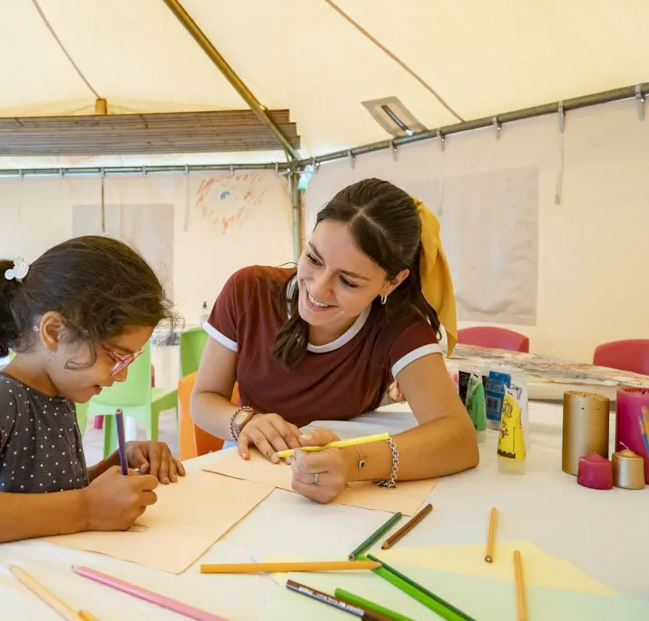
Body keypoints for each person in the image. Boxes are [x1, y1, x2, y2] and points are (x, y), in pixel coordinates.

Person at [191, 178, 479, 504]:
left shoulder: (398, 325)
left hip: (339, 491)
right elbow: (203, 399)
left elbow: (458, 439)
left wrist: (354, 462)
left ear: (393, 282)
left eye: (347, 281)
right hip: (250, 469)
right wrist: (244, 421)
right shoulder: (249, 290)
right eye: (313, 259)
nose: (316, 290)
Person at [0, 237, 186, 548]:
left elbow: (46, 494)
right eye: (115, 357)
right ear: (54, 332)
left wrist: (113, 465)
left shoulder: (59, 396)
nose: (122, 375)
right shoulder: (1, 398)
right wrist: (85, 508)